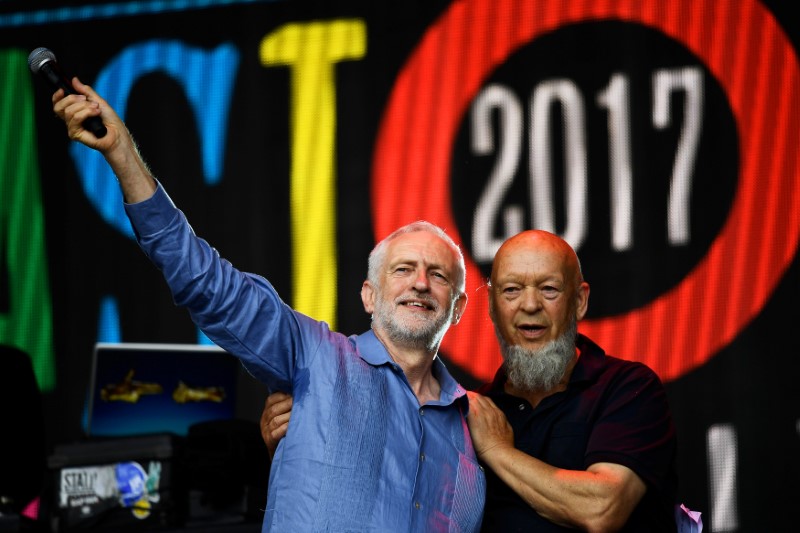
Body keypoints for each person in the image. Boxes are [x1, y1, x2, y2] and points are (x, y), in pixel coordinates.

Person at [52, 78, 486, 532]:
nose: (419, 283)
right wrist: (123, 156)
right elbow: (207, 283)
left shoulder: (475, 431)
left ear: (457, 308)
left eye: (437, 275)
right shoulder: (315, 356)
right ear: (369, 296)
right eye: (402, 270)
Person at [262, 229, 678, 531]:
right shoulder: (467, 409)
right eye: (512, 290)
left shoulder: (628, 388)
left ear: (580, 300)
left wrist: (498, 451)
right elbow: (397, 492)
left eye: (549, 289)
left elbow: (603, 509)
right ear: (492, 307)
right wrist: (307, 429)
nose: (529, 305)